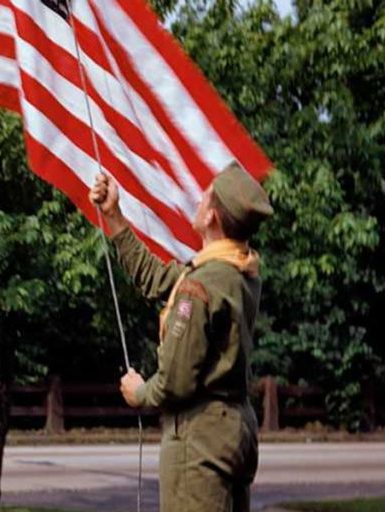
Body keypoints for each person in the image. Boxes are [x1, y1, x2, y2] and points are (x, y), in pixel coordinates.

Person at [89, 163, 273, 511]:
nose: (198, 200)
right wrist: (114, 217)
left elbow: (175, 379)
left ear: (213, 218)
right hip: (233, 427)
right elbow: (158, 278)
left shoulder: (201, 285)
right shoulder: (237, 271)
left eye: (204, 196)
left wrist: (140, 393)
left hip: (198, 436)